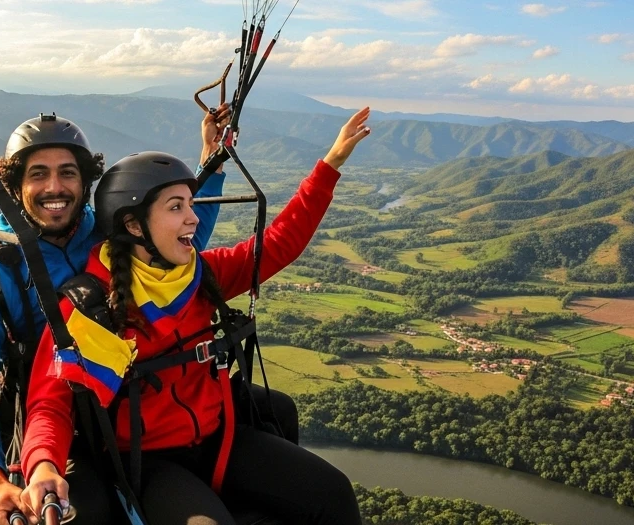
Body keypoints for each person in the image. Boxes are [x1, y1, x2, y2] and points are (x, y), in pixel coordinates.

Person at [0, 109, 297, 525]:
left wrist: (210, 163)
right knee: (77, 515)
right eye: (38, 174)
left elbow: (178, 248)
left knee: (275, 411)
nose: (54, 187)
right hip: (60, 424)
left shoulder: (111, 234)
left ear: (86, 181)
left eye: (68, 173)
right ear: (16, 186)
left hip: (137, 405)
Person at [20, 107, 373, 525]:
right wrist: (43, 463)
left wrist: (329, 166)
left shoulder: (200, 276)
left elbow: (278, 245)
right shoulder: (94, 308)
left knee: (332, 495)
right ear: (134, 226)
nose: (192, 217)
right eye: (176, 207)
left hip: (218, 439)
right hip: (150, 463)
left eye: (190, 203)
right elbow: (51, 403)